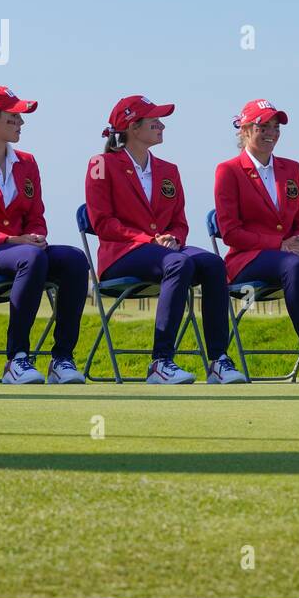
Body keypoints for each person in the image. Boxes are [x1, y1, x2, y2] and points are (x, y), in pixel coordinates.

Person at [86, 95, 248, 385]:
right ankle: (161, 362)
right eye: (154, 121)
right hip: (121, 255)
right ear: (133, 127)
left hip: (165, 252)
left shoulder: (169, 170)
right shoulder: (100, 164)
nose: (161, 125)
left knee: (212, 263)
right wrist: (149, 239)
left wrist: (173, 237)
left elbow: (179, 222)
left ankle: (218, 361)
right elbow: (103, 223)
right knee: (179, 264)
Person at [0, 86, 90, 385]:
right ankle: (17, 358)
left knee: (74, 259)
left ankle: (62, 358)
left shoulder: (28, 162)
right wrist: (12, 241)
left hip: (23, 252)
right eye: (13, 117)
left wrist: (35, 236)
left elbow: (36, 215)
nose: (21, 123)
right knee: (31, 257)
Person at [215, 99, 299, 383]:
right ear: (243, 130)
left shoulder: (291, 168)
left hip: (290, 254)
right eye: (262, 126)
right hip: (247, 259)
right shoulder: (228, 171)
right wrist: (279, 243)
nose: (271, 133)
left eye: (275, 127)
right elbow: (231, 232)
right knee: (293, 266)